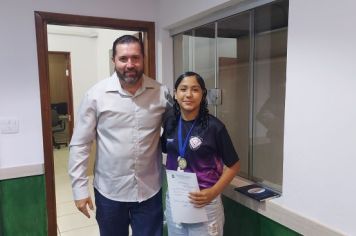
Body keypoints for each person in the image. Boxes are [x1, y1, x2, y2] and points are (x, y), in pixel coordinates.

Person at [68, 35, 171, 236]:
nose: (130, 64)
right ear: (113, 60)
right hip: (110, 193)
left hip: (149, 192)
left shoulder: (161, 93)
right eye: (123, 59)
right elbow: (80, 144)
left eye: (135, 58)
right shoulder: (96, 95)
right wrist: (79, 190)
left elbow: (175, 131)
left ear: (143, 59)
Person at [161, 71, 240, 236]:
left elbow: (234, 165)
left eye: (195, 90)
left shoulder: (214, 127)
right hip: (176, 200)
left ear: (203, 94)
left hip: (205, 202)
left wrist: (213, 192)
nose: (188, 94)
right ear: (175, 94)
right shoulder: (170, 124)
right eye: (183, 89)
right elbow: (165, 153)